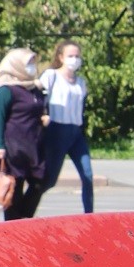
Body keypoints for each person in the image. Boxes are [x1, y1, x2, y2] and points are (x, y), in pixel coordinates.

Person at [0, 48, 48, 220]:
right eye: (28, 63)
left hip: (32, 143)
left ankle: (23, 219)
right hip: (12, 145)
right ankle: (13, 226)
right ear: (16, 65)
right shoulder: (5, 90)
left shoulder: (34, 87)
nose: (32, 67)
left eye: (33, 63)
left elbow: (36, 109)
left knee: (39, 182)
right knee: (14, 187)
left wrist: (44, 117)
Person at [36, 41, 95, 214]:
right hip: (56, 131)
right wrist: (42, 115)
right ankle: (27, 206)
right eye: (70, 56)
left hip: (75, 134)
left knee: (87, 175)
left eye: (77, 56)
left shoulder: (81, 83)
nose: (74, 60)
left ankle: (89, 215)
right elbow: (36, 97)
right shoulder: (51, 76)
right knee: (50, 179)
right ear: (61, 57)